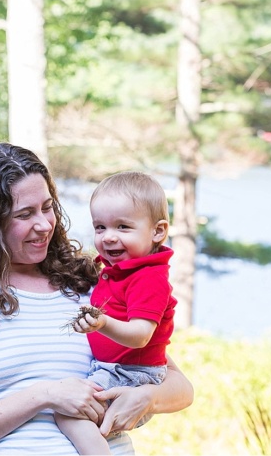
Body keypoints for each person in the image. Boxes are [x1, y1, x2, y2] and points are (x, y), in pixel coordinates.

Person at [0, 143, 193, 454]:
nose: (44, 224)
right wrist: (46, 394)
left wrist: (149, 398)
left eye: (47, 207)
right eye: (25, 214)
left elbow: (179, 387)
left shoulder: (91, 282)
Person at [57, 171, 177, 454]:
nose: (109, 237)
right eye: (100, 227)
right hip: (112, 369)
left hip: (131, 375)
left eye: (123, 227)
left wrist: (103, 322)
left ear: (158, 231)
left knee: (68, 413)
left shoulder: (148, 278)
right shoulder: (118, 272)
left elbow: (140, 336)